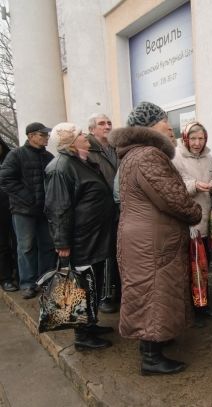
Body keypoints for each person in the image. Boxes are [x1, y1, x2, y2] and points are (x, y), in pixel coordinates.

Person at [109, 101, 202, 376]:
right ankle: (151, 357)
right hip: (152, 241)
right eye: (164, 121)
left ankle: (155, 342)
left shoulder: (133, 154)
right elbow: (173, 198)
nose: (170, 127)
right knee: (153, 291)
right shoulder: (149, 155)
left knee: (147, 290)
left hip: (144, 237)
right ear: (149, 126)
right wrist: (195, 212)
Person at [44, 122, 116, 351]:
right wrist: (62, 242)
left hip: (94, 236)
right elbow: (58, 208)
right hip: (81, 239)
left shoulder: (81, 161)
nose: (85, 135)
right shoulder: (61, 167)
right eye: (80, 134)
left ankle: (90, 323)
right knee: (81, 285)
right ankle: (82, 335)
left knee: (93, 282)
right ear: (71, 142)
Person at [172, 121, 212, 322]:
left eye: (201, 138)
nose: (197, 143)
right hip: (188, 223)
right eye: (193, 138)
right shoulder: (176, 156)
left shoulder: (209, 158)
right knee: (190, 269)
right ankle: (191, 310)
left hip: (205, 221)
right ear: (186, 138)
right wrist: (194, 185)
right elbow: (174, 186)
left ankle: (203, 306)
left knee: (203, 267)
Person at [0, 122, 56, 299]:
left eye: (47, 135)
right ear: (31, 136)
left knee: (47, 246)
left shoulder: (48, 156)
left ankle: (46, 280)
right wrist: (29, 198)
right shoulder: (16, 155)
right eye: (42, 134)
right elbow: (6, 180)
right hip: (23, 211)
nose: (46, 137)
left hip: (44, 210)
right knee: (26, 247)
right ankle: (27, 284)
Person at [86, 113, 120, 314]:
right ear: (92, 129)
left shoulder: (116, 147)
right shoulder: (88, 150)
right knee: (105, 253)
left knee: (117, 251)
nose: (107, 126)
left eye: (109, 123)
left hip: (119, 207)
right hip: (100, 209)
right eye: (102, 124)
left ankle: (117, 292)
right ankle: (104, 296)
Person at [0, 137, 18, 292]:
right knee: (2, 246)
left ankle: (18, 274)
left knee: (18, 244)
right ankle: (5, 278)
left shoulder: (11, 159)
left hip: (14, 208)